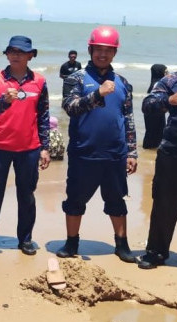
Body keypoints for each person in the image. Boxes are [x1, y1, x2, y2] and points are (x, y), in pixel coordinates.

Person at [56, 26, 137, 263]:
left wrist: (132, 151)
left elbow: (128, 118)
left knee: (116, 200)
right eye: (98, 50)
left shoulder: (122, 82)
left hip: (115, 154)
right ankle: (72, 243)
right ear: (90, 50)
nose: (103, 54)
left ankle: (122, 244)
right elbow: (70, 107)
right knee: (75, 200)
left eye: (108, 50)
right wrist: (97, 95)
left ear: (114, 53)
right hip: (84, 152)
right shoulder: (76, 78)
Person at [0, 35, 50, 255]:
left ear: (30, 56)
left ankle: (25, 239)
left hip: (29, 148)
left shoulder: (40, 81)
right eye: (12, 51)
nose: (16, 55)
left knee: (26, 195)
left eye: (21, 52)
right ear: (7, 54)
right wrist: (3, 101)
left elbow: (44, 116)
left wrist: (44, 147)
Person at [138, 34, 177, 269]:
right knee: (164, 204)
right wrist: (170, 100)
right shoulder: (171, 80)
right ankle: (156, 252)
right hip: (173, 154)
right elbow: (147, 104)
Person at [142, 64, 168, 149]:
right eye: (165, 71)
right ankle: (150, 152)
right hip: (155, 112)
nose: (167, 73)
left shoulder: (154, 83)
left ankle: (148, 149)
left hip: (152, 111)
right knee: (156, 131)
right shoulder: (158, 84)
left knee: (151, 131)